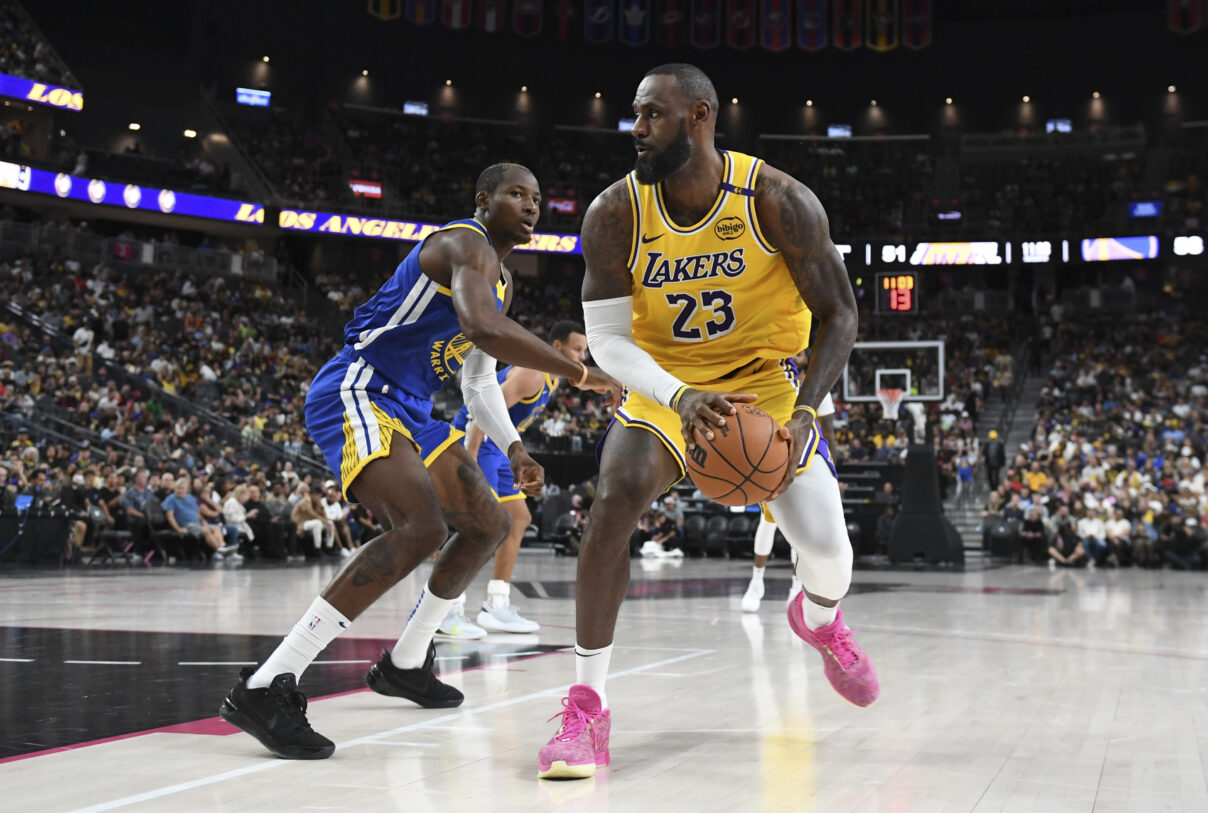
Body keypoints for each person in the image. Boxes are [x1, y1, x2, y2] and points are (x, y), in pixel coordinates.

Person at [535, 64, 876, 780]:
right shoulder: (614, 213)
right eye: (634, 113)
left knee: (831, 556)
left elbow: (840, 313)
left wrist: (810, 409)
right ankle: (586, 708)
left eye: (651, 115)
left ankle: (819, 621)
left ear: (698, 117)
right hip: (666, 387)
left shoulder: (779, 200)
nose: (635, 129)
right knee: (613, 501)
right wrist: (680, 396)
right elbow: (608, 341)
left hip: (768, 391)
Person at [219, 163, 616, 761]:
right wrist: (581, 372)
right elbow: (483, 327)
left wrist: (515, 448)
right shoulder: (463, 243)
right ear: (484, 200)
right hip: (360, 386)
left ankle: (405, 662)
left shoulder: (503, 281)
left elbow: (480, 381)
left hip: (410, 407)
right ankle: (265, 684)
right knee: (422, 527)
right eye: (517, 194)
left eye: (537, 199)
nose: (532, 206)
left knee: (490, 524)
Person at [445, 320, 593, 637]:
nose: (582, 357)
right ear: (556, 347)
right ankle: (447, 610)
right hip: (477, 440)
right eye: (577, 349)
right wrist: (470, 452)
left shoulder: (554, 378)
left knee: (518, 518)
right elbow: (481, 407)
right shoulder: (532, 374)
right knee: (479, 526)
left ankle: (496, 605)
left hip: (497, 450)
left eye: (585, 351)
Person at [741, 394, 836, 612]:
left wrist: (832, 474)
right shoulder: (775, 371)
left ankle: (796, 586)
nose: (799, 356)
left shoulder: (820, 387)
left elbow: (830, 432)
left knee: (800, 529)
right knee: (767, 522)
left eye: (802, 355)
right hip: (770, 455)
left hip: (807, 458)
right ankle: (756, 582)